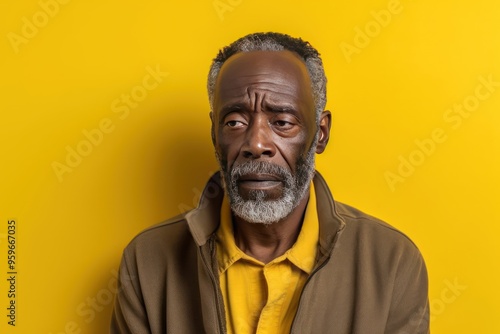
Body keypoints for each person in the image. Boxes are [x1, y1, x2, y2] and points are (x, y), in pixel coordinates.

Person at [111, 32, 429, 334]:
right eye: (234, 121)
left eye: (282, 122)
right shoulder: (147, 262)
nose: (257, 143)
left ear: (320, 133)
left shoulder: (392, 263)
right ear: (214, 134)